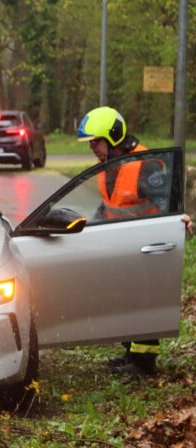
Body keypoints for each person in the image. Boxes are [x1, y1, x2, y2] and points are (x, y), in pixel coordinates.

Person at [77, 106, 193, 376]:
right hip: (123, 243)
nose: (92, 147)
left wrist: (183, 220)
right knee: (123, 299)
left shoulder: (146, 164)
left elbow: (167, 201)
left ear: (113, 137)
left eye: (95, 141)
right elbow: (109, 205)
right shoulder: (109, 166)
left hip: (148, 244)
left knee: (142, 301)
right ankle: (131, 353)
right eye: (90, 142)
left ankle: (143, 363)